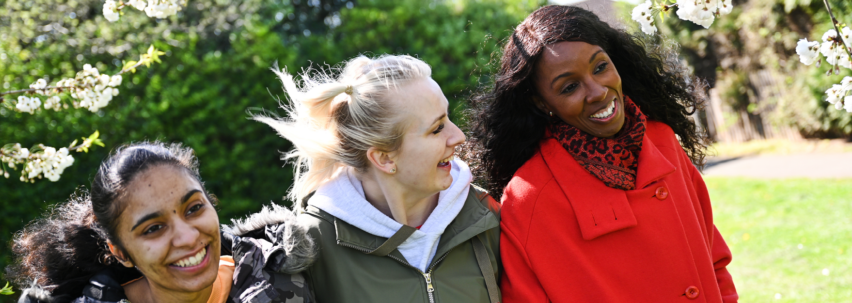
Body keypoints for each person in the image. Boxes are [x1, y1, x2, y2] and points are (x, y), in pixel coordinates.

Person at [465, 5, 738, 302]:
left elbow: (714, 261)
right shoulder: (529, 198)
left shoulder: (661, 142)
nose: (597, 92)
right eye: (570, 87)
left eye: (600, 67)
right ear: (542, 103)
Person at [256, 54, 502, 303]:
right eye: (436, 128)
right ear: (384, 159)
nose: (458, 136)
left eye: (448, 118)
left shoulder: (487, 214)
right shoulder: (310, 247)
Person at [10, 142, 315, 303]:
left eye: (194, 208)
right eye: (153, 228)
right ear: (121, 253)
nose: (187, 237)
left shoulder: (281, 276)